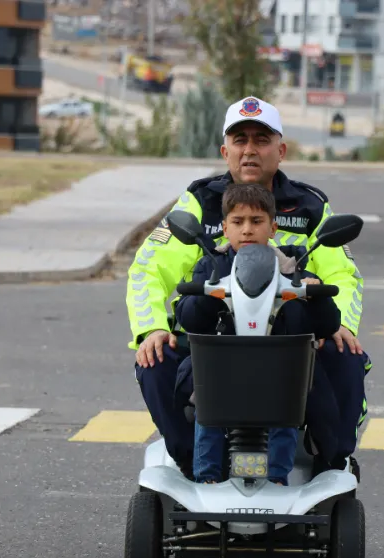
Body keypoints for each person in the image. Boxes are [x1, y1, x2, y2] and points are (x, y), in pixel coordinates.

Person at [126, 95, 369, 479]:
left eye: (261, 139)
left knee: (346, 357)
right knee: (154, 361)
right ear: (226, 150)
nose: (250, 150)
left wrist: (341, 325)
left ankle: (331, 464)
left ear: (281, 149)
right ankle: (195, 467)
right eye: (240, 140)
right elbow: (148, 270)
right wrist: (152, 327)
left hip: (292, 338)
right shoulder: (197, 201)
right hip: (212, 337)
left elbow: (343, 274)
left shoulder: (311, 206)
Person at [175, 183, 342, 485]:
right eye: (238, 222)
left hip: (281, 367)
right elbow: (189, 319)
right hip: (221, 365)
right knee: (206, 397)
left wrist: (317, 295)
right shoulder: (211, 264)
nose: (247, 230)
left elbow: (327, 325)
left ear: (273, 227)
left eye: (256, 221)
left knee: (296, 397)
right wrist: (204, 295)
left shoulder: (295, 265)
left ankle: (280, 478)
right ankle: (207, 479)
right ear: (224, 228)